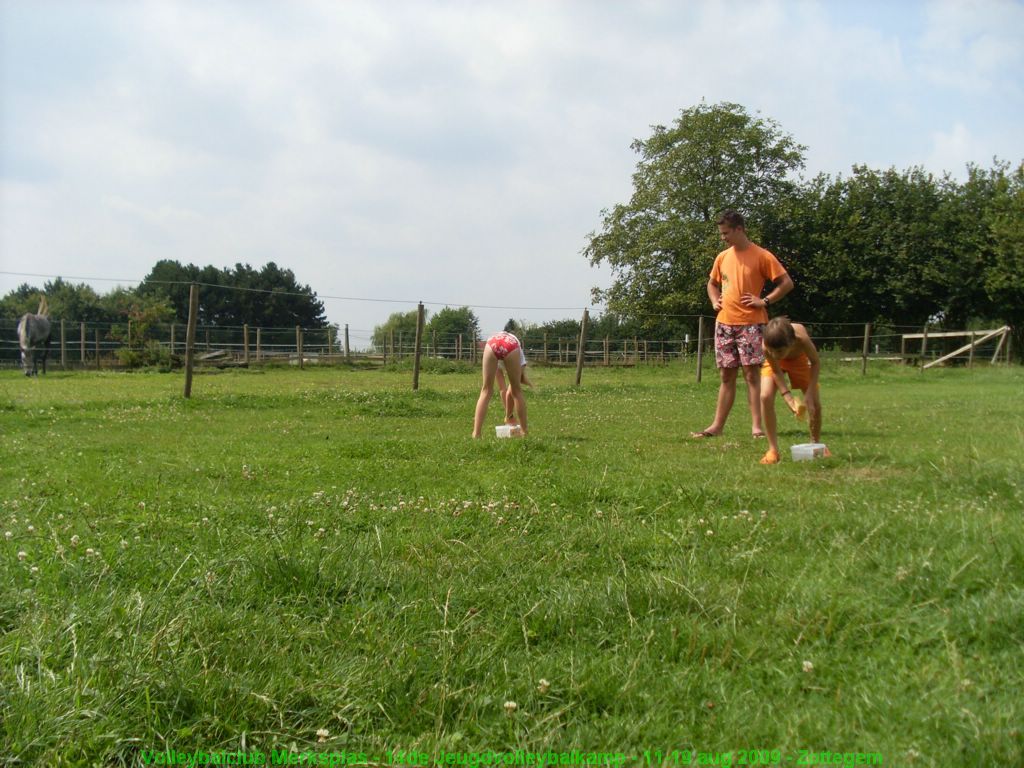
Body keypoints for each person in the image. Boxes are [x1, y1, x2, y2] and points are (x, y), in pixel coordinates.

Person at [692, 210, 794, 439]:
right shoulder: (722, 257)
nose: (723, 238)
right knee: (726, 377)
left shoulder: (762, 256)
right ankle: (716, 427)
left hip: (751, 324)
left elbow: (787, 283)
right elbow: (711, 284)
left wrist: (764, 300)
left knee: (751, 375)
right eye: (721, 233)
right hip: (725, 324)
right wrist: (713, 299)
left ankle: (757, 428)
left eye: (726, 233)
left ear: (739, 229)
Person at [758, 317, 828, 464]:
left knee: (814, 403)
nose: (775, 354)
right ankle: (773, 450)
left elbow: (815, 362)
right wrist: (788, 398)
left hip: (799, 360)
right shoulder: (768, 347)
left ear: (791, 343)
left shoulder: (801, 339)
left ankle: (816, 444)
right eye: (772, 351)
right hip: (776, 366)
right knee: (765, 397)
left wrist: (809, 393)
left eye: (779, 351)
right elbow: (776, 371)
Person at [473, 331, 529, 438]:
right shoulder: (518, 350)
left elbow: (503, 389)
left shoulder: (494, 338)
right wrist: (509, 415)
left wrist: (508, 415)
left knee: (486, 391)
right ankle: (524, 432)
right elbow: (510, 391)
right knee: (517, 392)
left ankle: (476, 433)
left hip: (492, 344)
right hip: (510, 346)